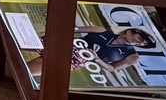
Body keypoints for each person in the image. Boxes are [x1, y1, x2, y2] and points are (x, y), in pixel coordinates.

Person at [26, 25, 157, 81]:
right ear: (129, 32)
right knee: (18, 43)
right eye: (139, 39)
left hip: (73, 60)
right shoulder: (101, 30)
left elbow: (112, 68)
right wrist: (41, 34)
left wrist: (97, 59)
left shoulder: (132, 56)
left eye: (141, 44)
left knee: (26, 71)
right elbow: (71, 28)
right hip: (62, 44)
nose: (137, 43)